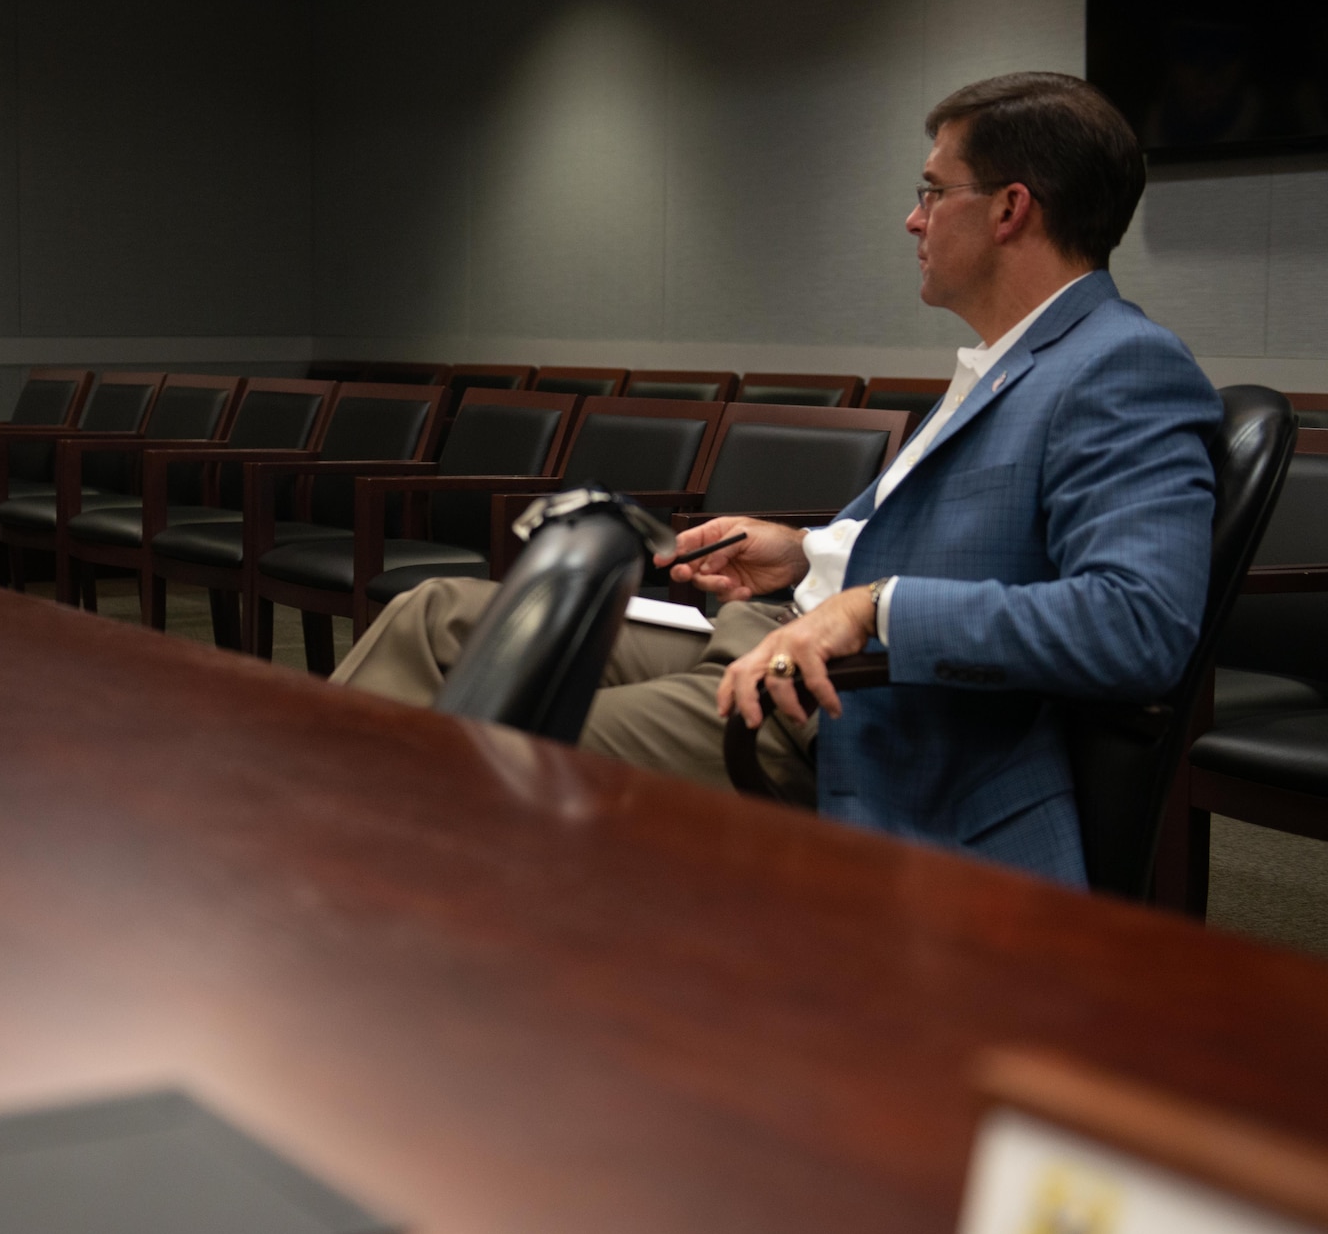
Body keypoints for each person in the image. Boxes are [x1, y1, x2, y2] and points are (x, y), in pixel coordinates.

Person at [334, 72, 1222, 886]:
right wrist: (804, 554)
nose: (913, 220)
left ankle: (338, 923)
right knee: (431, 613)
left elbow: (1138, 623)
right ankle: (306, 847)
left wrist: (869, 606)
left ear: (1010, 209)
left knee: (492, 743)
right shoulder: (1009, 360)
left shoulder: (1122, 366)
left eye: (932, 192)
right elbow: (938, 537)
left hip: (863, 723)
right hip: (772, 633)